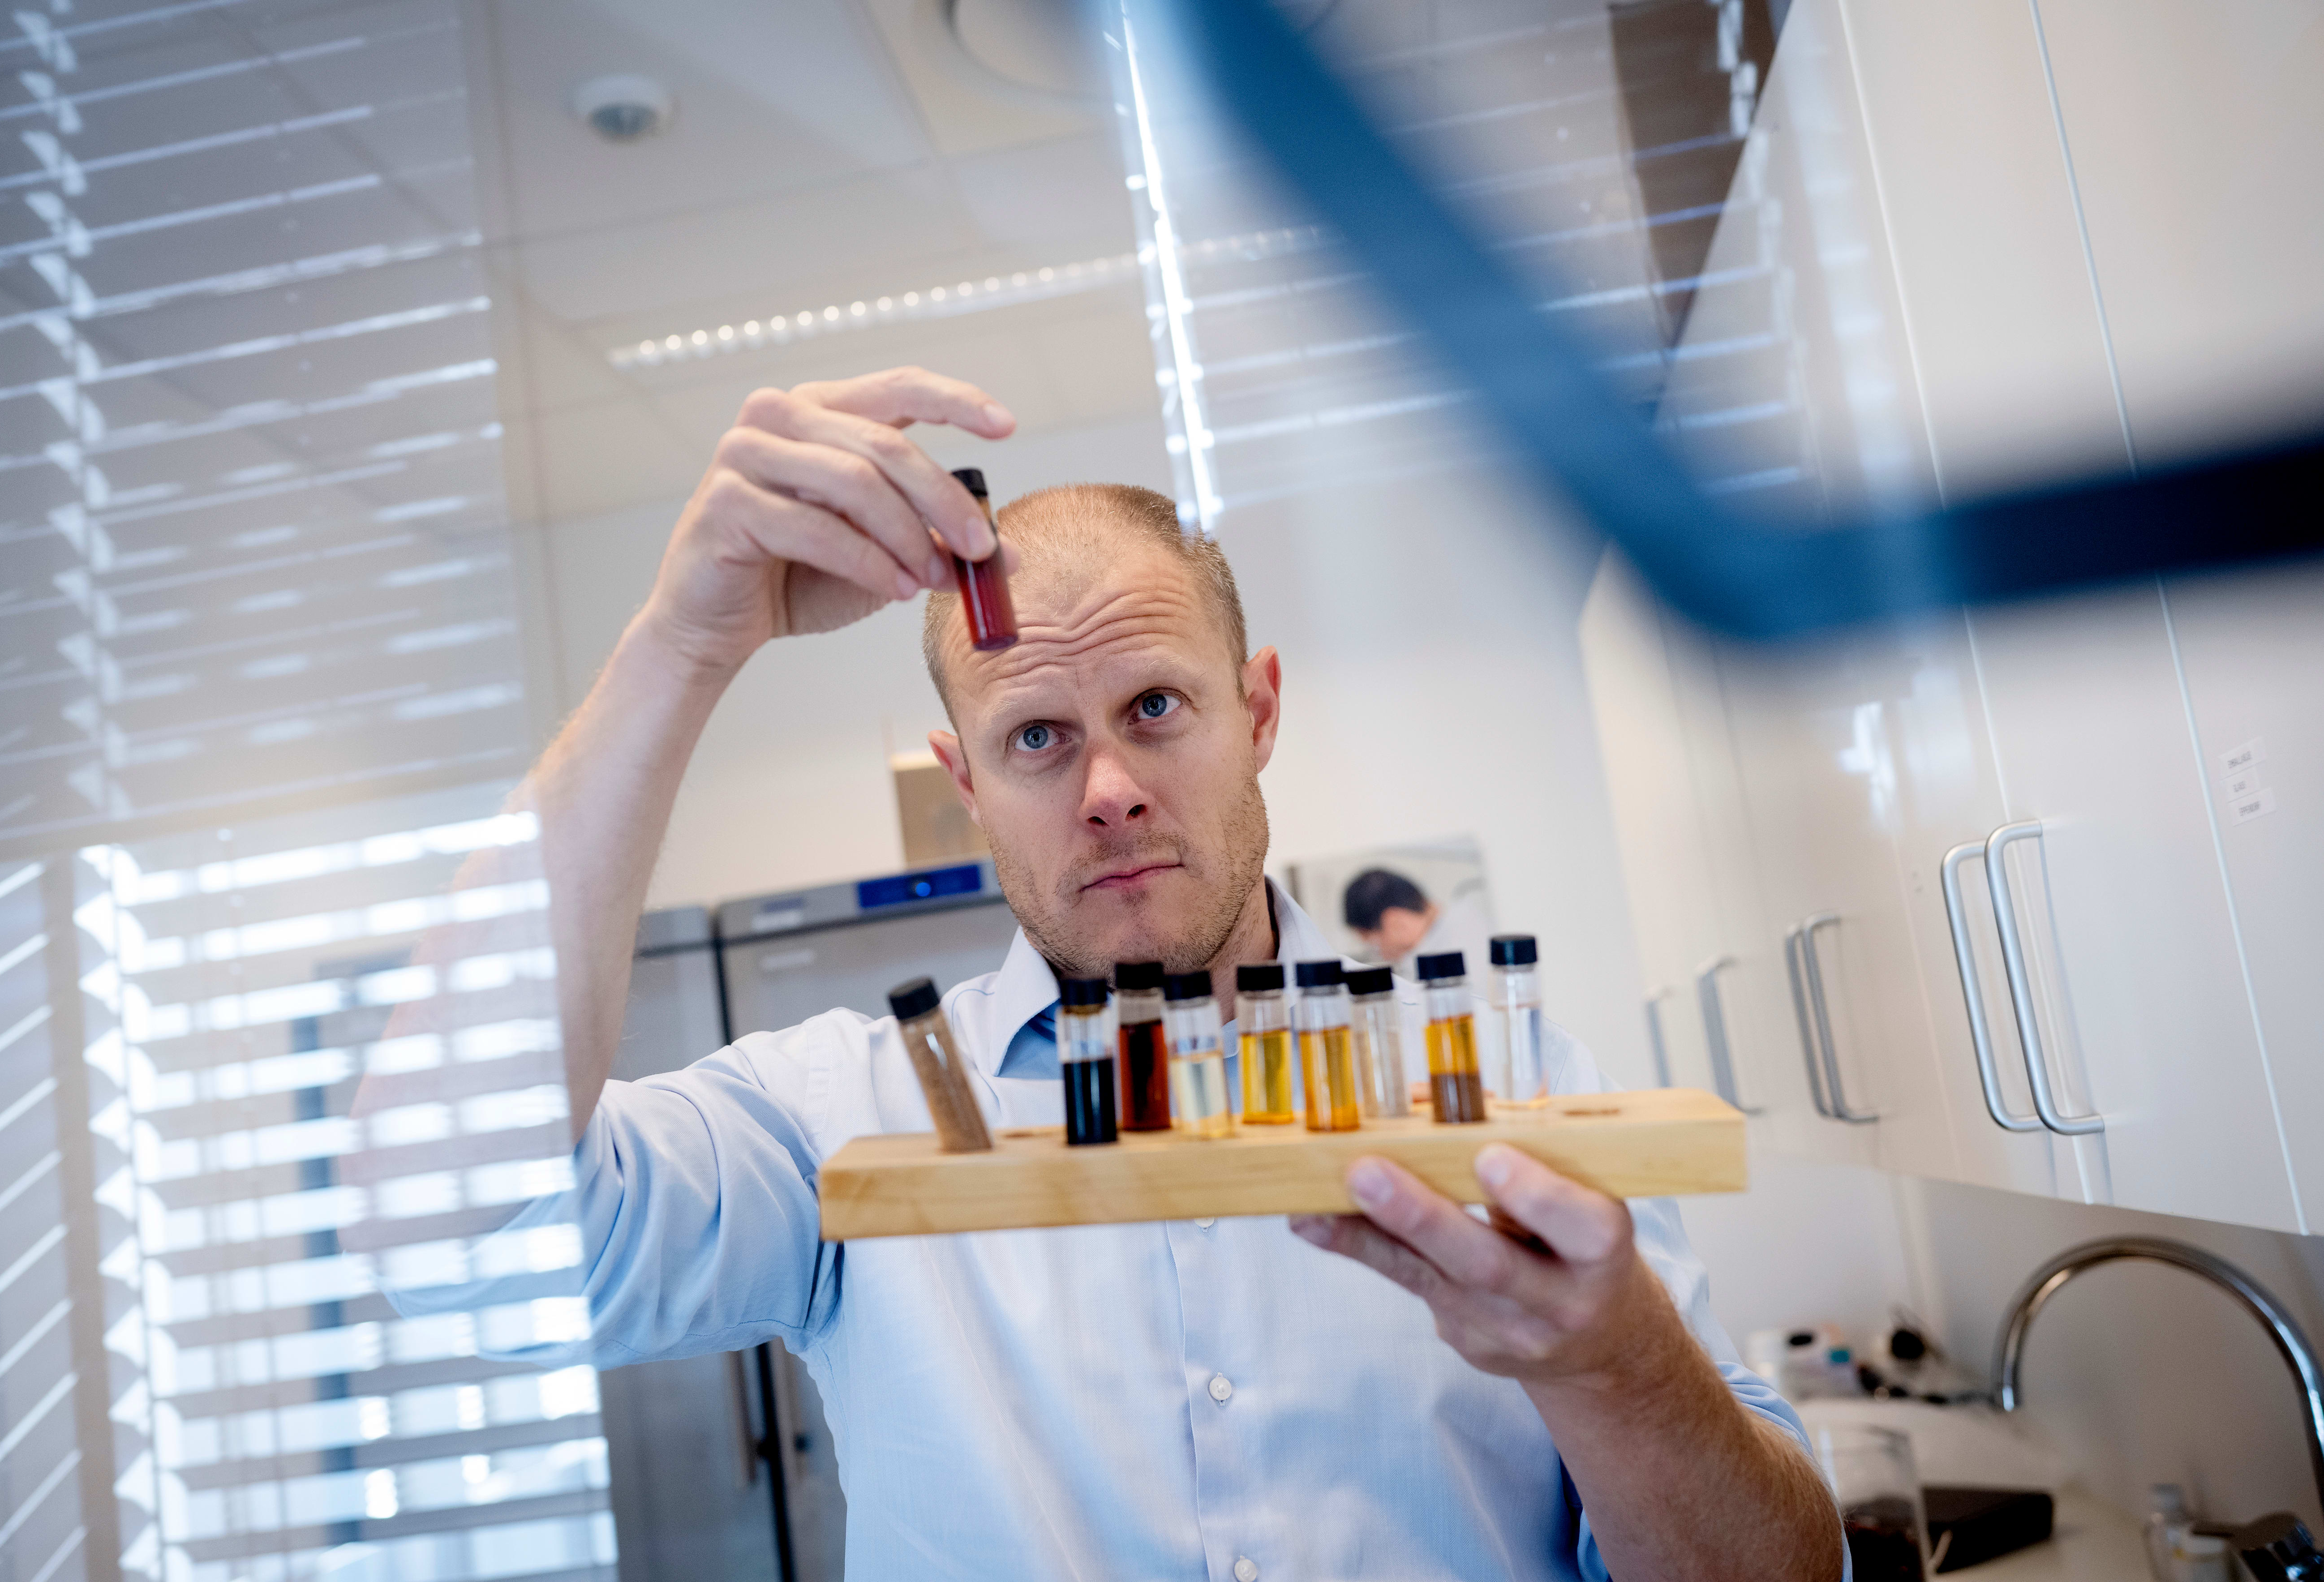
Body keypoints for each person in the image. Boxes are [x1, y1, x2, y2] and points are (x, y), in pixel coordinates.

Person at [365, 366, 1841, 1580]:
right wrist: (682, 644)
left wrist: (1613, 1362)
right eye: (1036, 738)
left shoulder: (1499, 1094)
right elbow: (439, 1234)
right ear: (965, 783)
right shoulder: (839, 1123)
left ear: (1258, 712)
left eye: (1154, 706)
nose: (1110, 789)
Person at [1343, 866, 1495, 977]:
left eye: (1374, 946)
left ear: (1397, 924)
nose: (1381, 955)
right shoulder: (1468, 918)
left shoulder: (1443, 967)